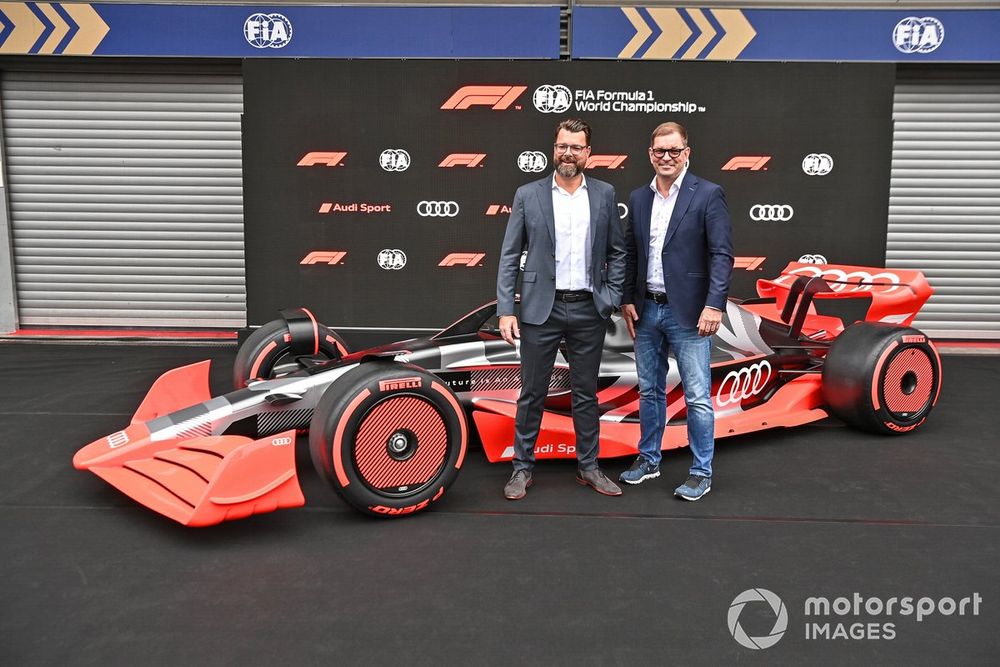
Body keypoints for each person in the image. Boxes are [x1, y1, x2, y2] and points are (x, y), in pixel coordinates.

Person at [496, 118, 627, 500]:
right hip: (541, 311)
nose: (567, 153)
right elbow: (509, 256)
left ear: (588, 153)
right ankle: (522, 468)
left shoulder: (604, 194)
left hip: (589, 309)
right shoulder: (528, 194)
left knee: (586, 394)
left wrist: (612, 296)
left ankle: (589, 467)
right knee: (532, 392)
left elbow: (617, 252)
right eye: (562, 146)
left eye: (576, 147)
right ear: (554, 149)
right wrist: (507, 308)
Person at [618, 121, 733, 501]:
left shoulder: (709, 194)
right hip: (647, 310)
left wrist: (714, 304)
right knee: (650, 391)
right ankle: (649, 459)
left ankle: (702, 472)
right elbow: (632, 254)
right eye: (659, 151)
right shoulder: (638, 198)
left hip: (690, 314)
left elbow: (721, 255)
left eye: (674, 150)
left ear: (687, 152)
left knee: (698, 396)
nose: (666, 157)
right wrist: (627, 299)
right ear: (649, 154)